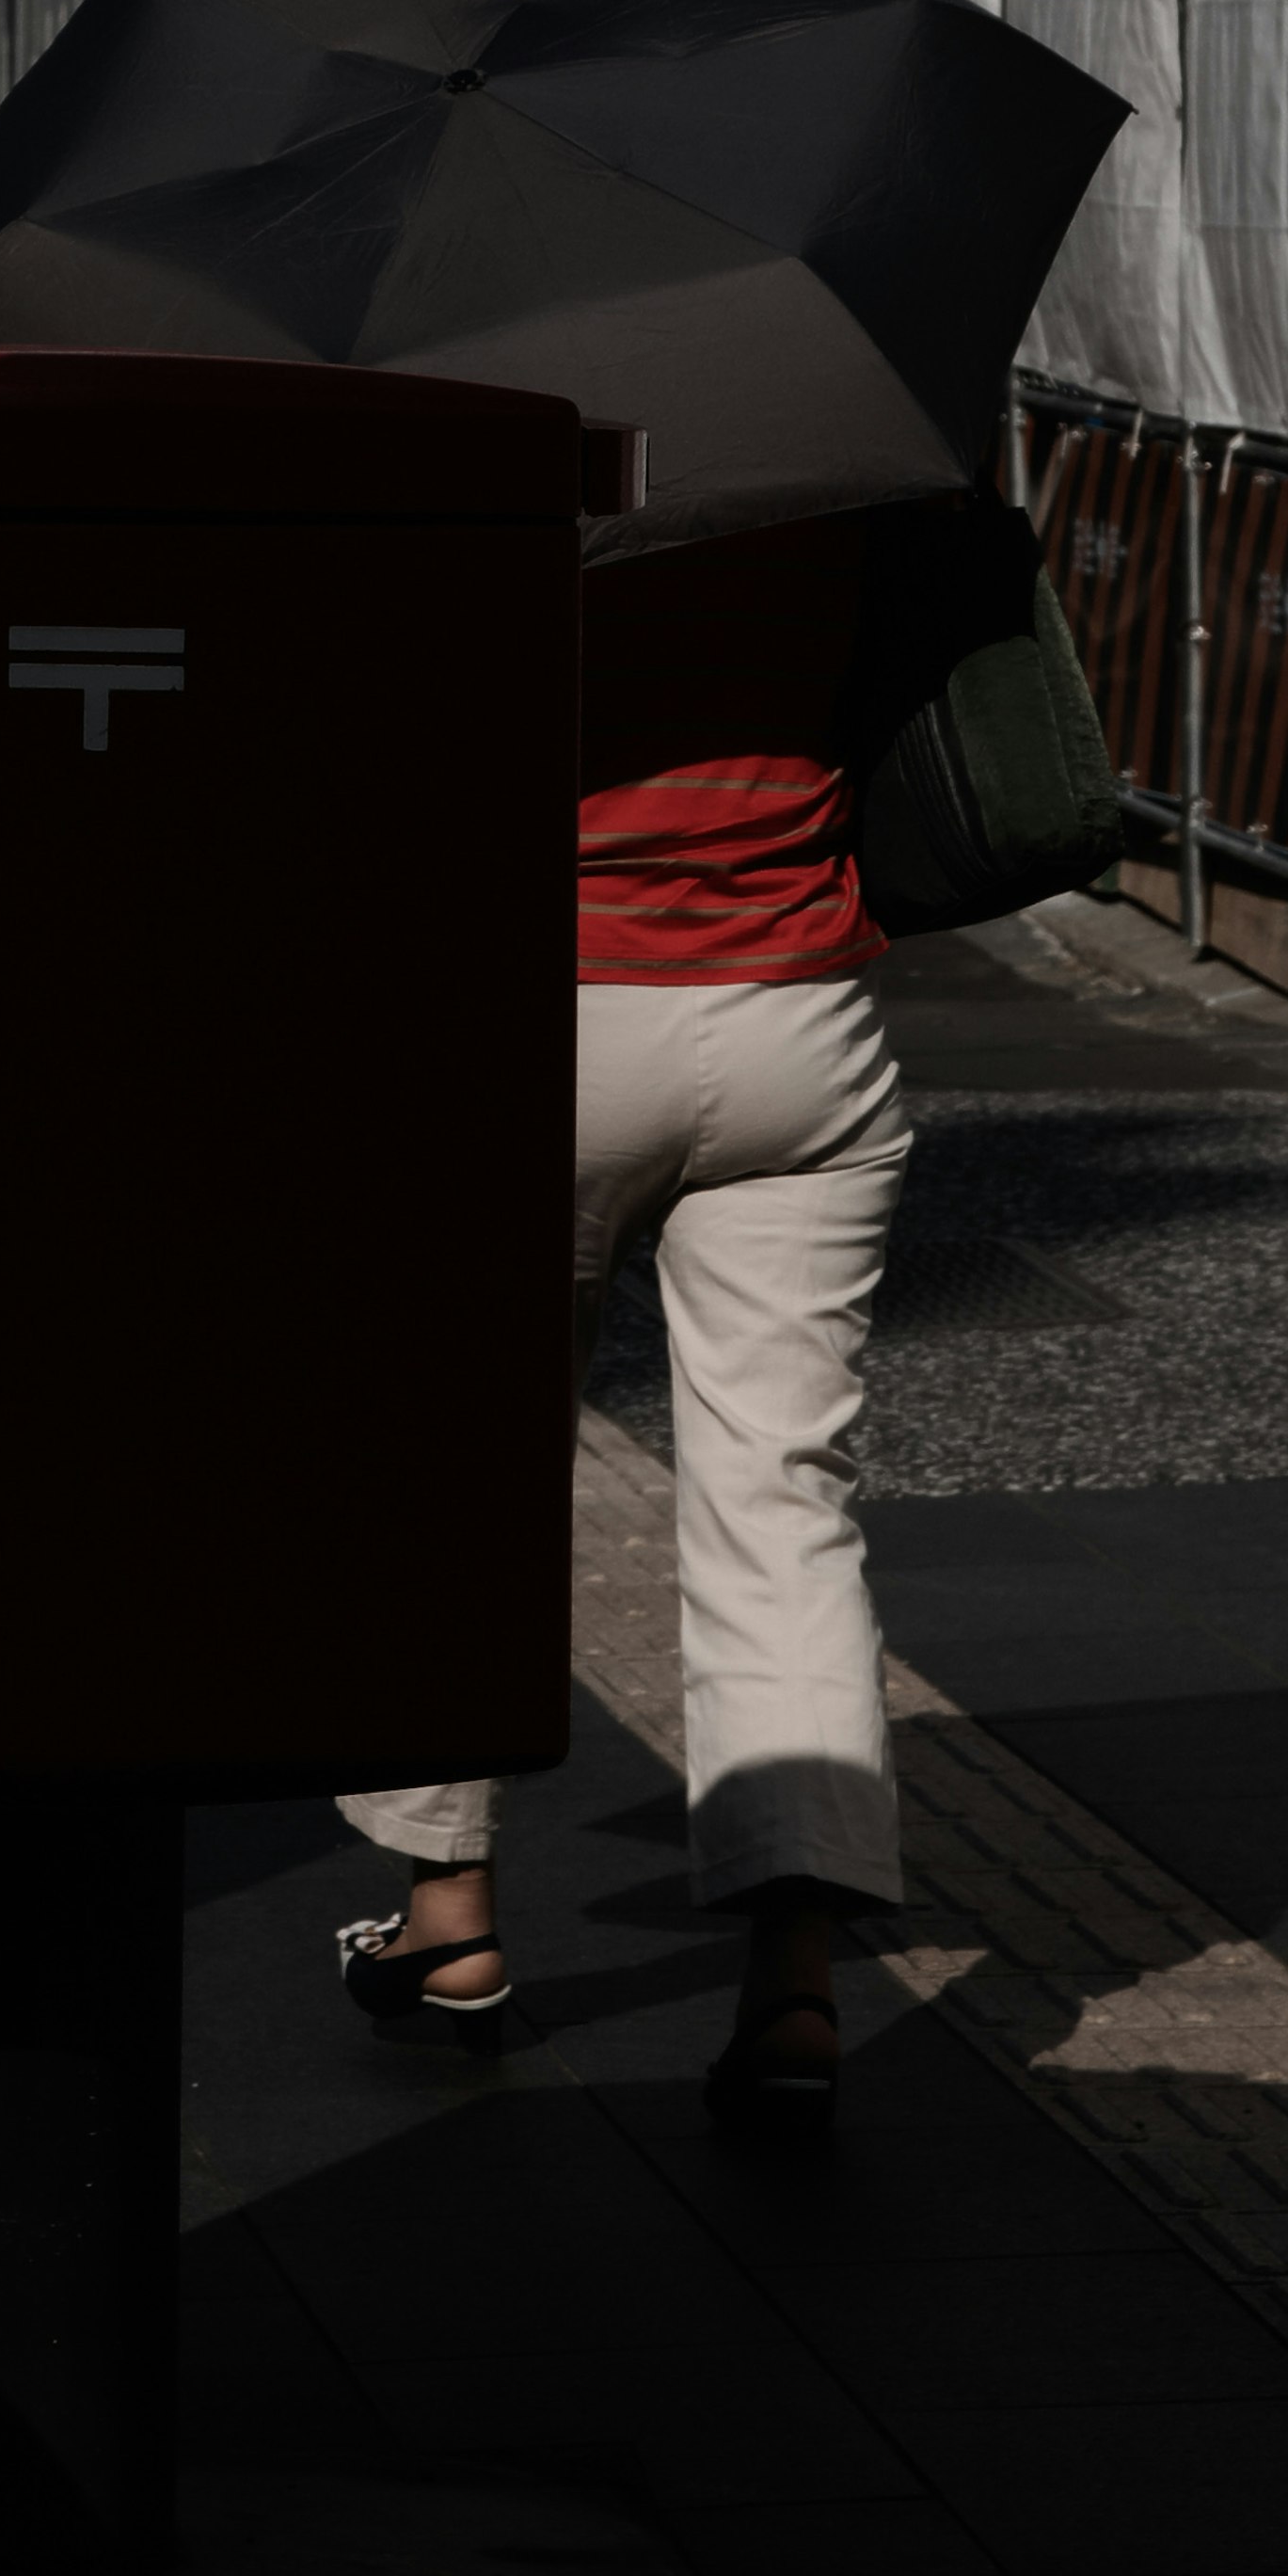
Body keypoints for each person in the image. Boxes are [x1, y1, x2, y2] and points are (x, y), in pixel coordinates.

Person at [330, 504, 910, 2112]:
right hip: (799, 1014)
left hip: (549, 1000)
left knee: (465, 1465)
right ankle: (794, 1971)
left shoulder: (509, 464)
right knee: (783, 1495)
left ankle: (447, 1906)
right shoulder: (825, 454)